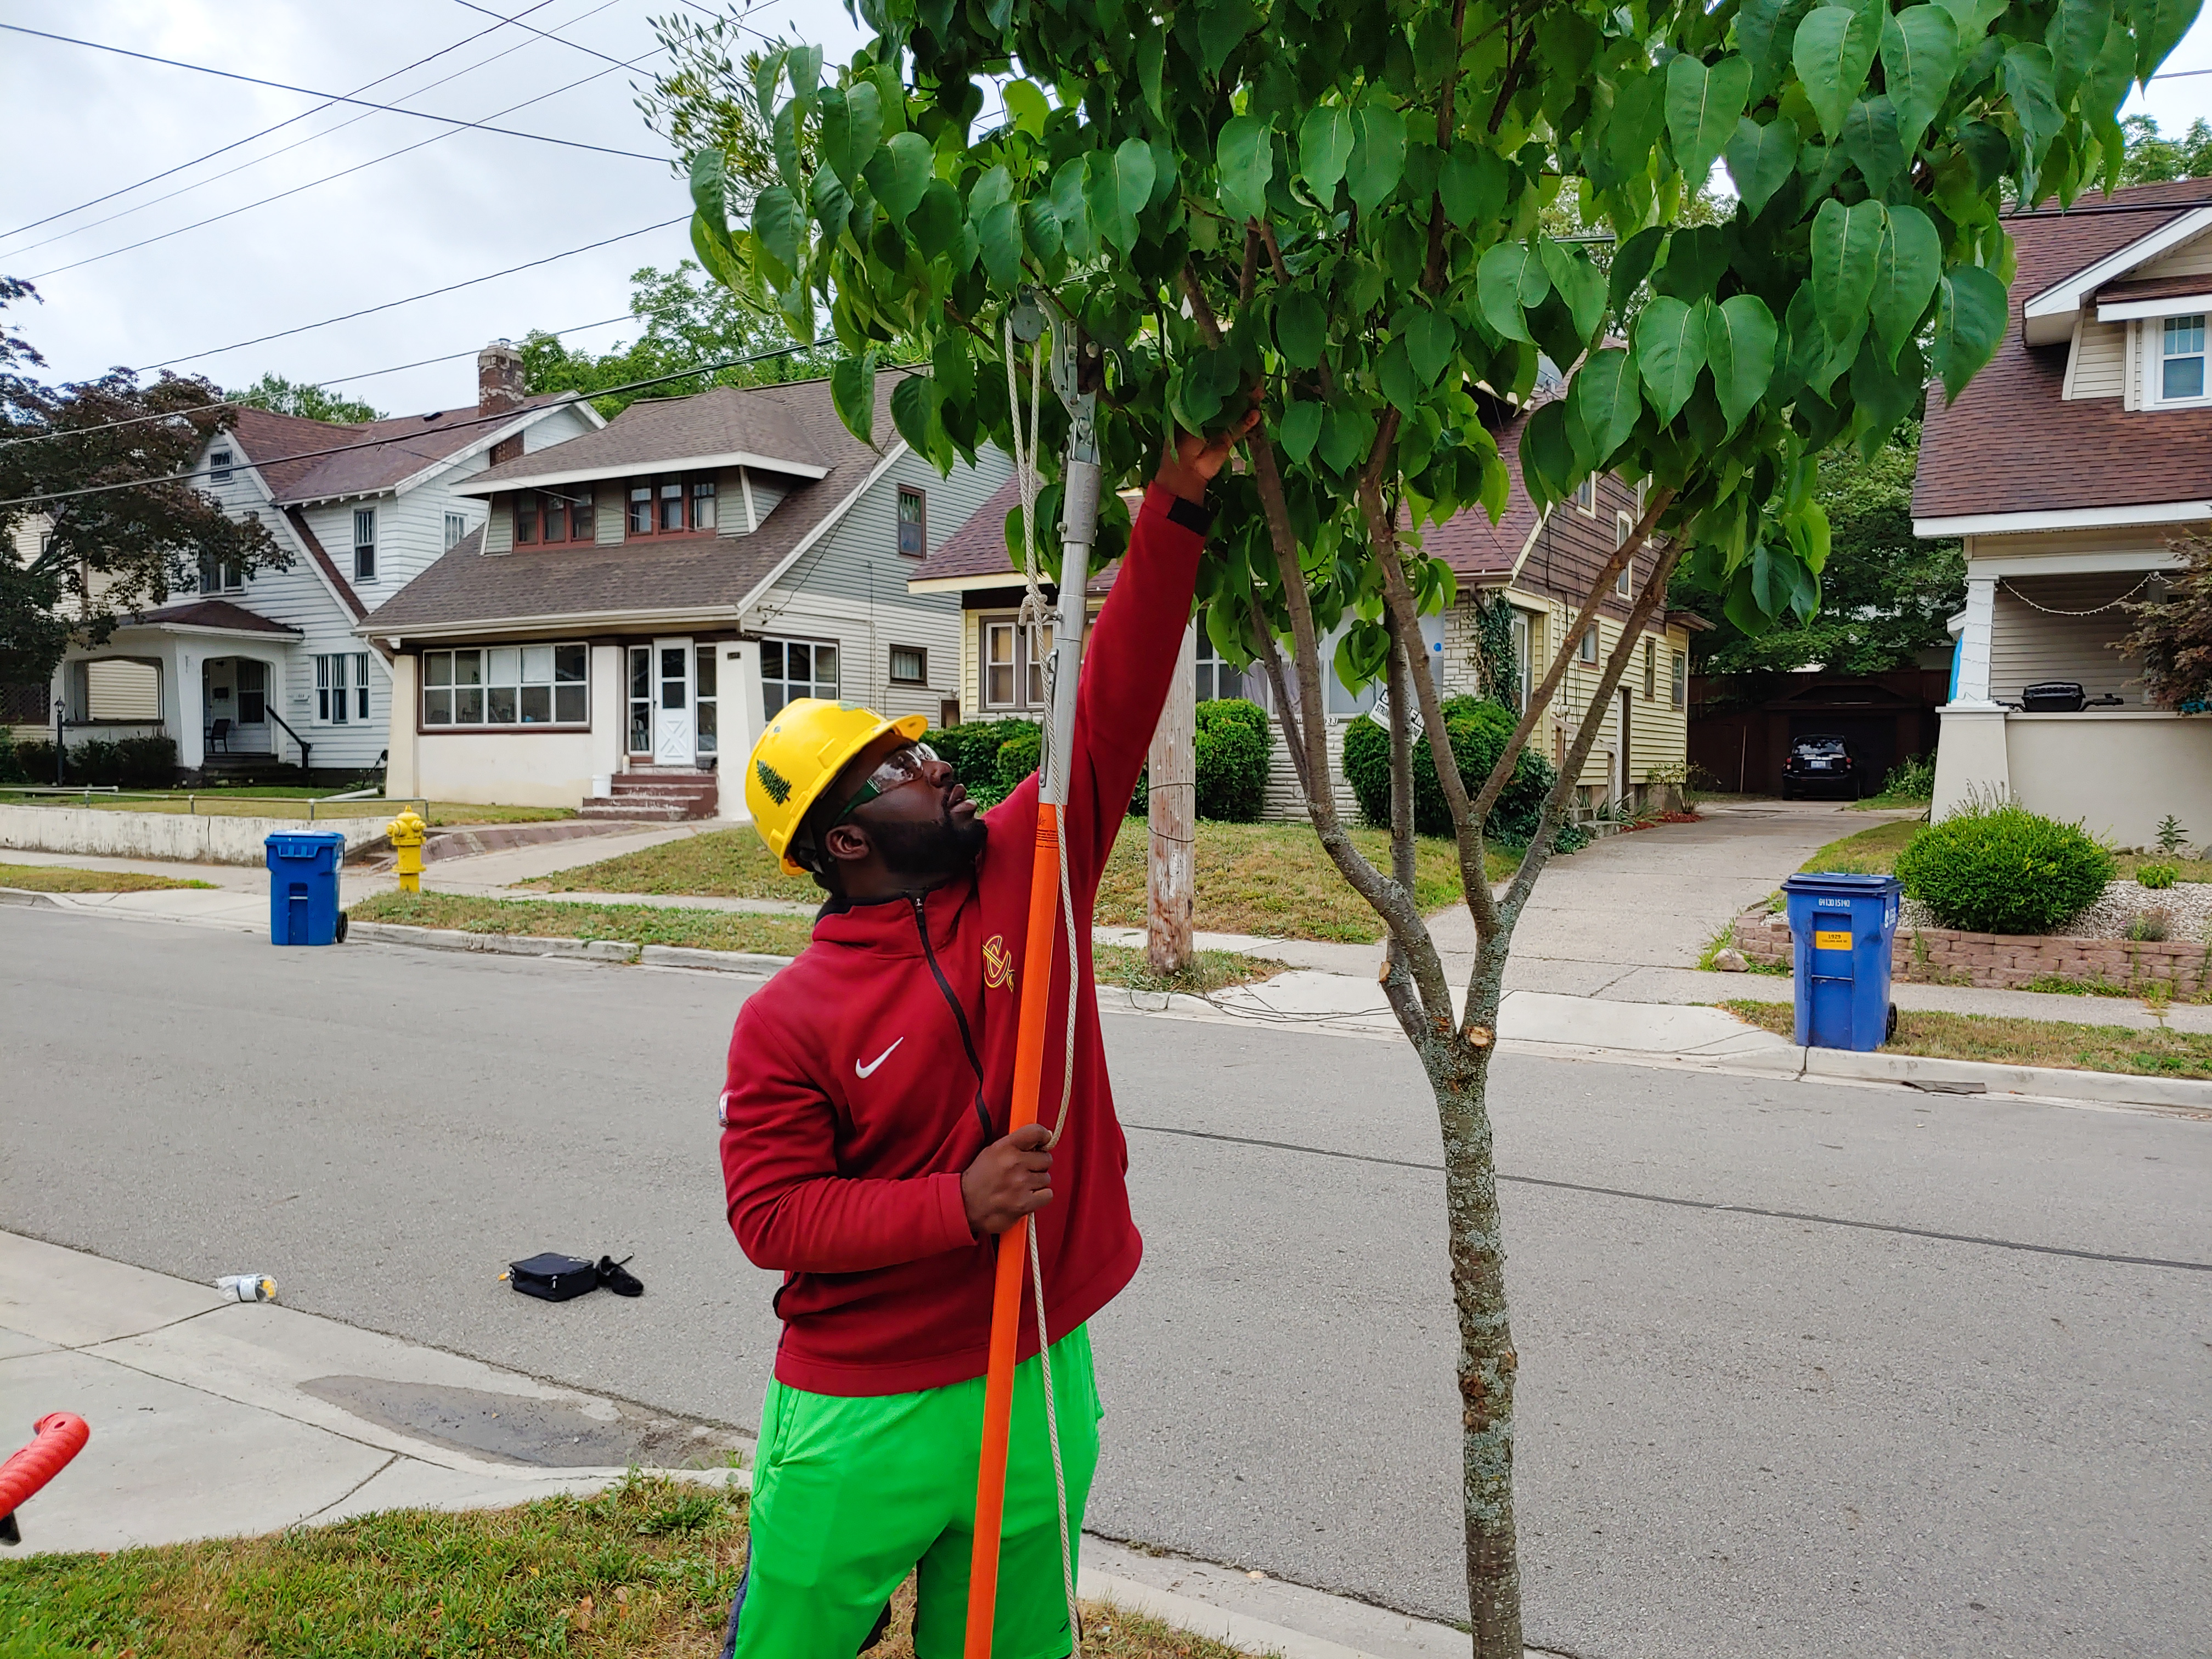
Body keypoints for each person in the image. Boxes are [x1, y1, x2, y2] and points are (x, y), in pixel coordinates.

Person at [716, 409, 1255, 1659]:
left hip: (1040, 1366)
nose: (940, 764)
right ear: (843, 842)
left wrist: (1173, 510)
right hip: (865, 1406)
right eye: (899, 768)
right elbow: (774, 1220)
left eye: (924, 748)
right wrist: (954, 1204)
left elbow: (1111, 702)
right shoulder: (787, 1019)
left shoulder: (1029, 866)